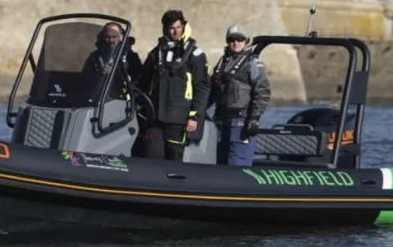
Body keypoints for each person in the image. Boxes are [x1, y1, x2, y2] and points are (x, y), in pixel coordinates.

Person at [139, 10, 210, 161]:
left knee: (174, 156)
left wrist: (194, 117)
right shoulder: (156, 53)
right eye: (172, 28)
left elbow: (202, 88)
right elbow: (143, 82)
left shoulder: (195, 55)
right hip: (156, 116)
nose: (176, 31)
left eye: (178, 27)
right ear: (165, 29)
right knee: (152, 156)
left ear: (183, 27)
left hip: (180, 118)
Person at [209, 24, 271, 166]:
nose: (236, 42)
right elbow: (213, 90)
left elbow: (262, 91)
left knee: (236, 163)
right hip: (222, 122)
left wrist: (254, 118)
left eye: (239, 39)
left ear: (246, 41)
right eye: (232, 39)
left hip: (241, 123)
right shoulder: (222, 63)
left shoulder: (253, 63)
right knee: (220, 164)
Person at [82, 22, 143, 100]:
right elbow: (84, 81)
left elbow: (141, 80)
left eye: (114, 37)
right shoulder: (94, 57)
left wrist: (128, 79)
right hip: (99, 104)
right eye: (107, 37)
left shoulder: (130, 57)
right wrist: (99, 74)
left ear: (121, 37)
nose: (111, 40)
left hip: (123, 102)